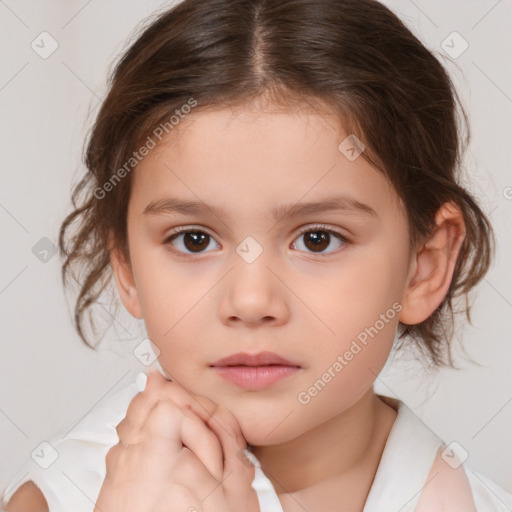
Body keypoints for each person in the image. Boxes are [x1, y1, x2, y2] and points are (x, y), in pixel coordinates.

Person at [2, 0, 511, 510]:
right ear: (127, 266)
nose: (250, 301)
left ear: (424, 266)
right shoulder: (60, 497)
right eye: (194, 239)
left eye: (318, 239)